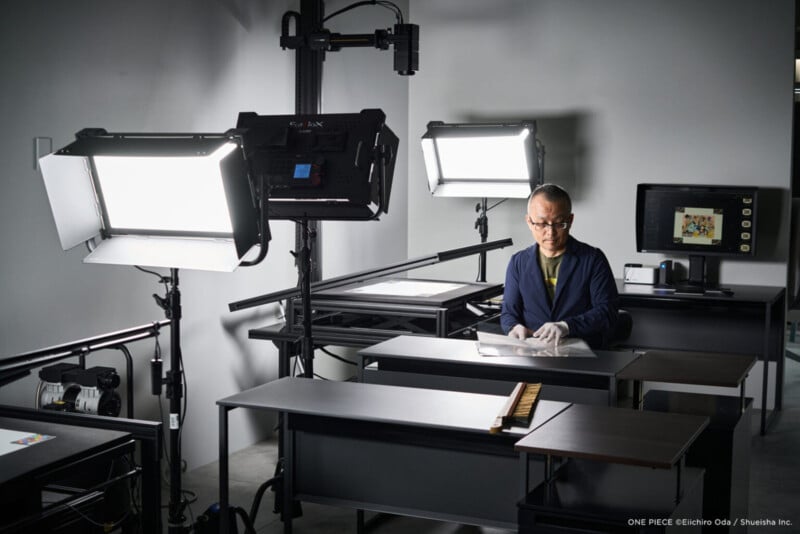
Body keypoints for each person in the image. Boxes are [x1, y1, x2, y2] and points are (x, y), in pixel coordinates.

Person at [500, 183, 618, 348]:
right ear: (529, 221)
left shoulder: (593, 259)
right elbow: (508, 313)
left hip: (582, 357)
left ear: (570, 221)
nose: (550, 232)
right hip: (533, 356)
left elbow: (608, 312)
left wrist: (566, 326)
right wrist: (514, 327)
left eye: (558, 224)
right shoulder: (518, 263)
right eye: (541, 224)